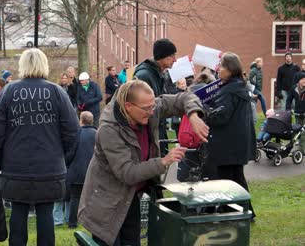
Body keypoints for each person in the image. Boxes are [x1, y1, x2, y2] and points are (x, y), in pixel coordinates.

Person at [78, 80, 208, 245]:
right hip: (106, 202)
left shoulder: (149, 107)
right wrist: (163, 161)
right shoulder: (109, 129)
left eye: (153, 106)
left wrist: (193, 115)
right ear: (128, 106)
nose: (152, 111)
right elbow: (128, 173)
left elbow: (184, 98)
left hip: (131, 197)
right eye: (147, 109)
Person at [0, 48, 79, 246]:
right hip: (50, 168)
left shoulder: (9, 91)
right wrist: (62, 157)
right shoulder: (57, 91)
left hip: (15, 168)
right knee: (45, 213)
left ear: (23, 66)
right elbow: (72, 131)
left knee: (18, 213)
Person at [205, 52, 256, 220]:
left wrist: (203, 112)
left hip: (227, 144)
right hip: (238, 143)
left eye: (221, 66)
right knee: (237, 179)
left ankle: (234, 213)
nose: (218, 69)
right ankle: (246, 213)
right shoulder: (240, 87)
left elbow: (220, 117)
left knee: (229, 181)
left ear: (230, 69)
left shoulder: (228, 91)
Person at [134, 38, 178, 156]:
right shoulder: (144, 76)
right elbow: (138, 108)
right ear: (162, 57)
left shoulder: (160, 74)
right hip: (148, 135)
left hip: (158, 130)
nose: (175, 60)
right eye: (172, 56)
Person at [66, 111, 96, 229]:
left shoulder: (76, 134)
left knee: (75, 198)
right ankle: (91, 224)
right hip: (92, 172)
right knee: (92, 199)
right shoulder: (97, 133)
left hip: (77, 172)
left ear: (81, 120)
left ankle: (72, 224)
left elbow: (70, 153)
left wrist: (67, 164)